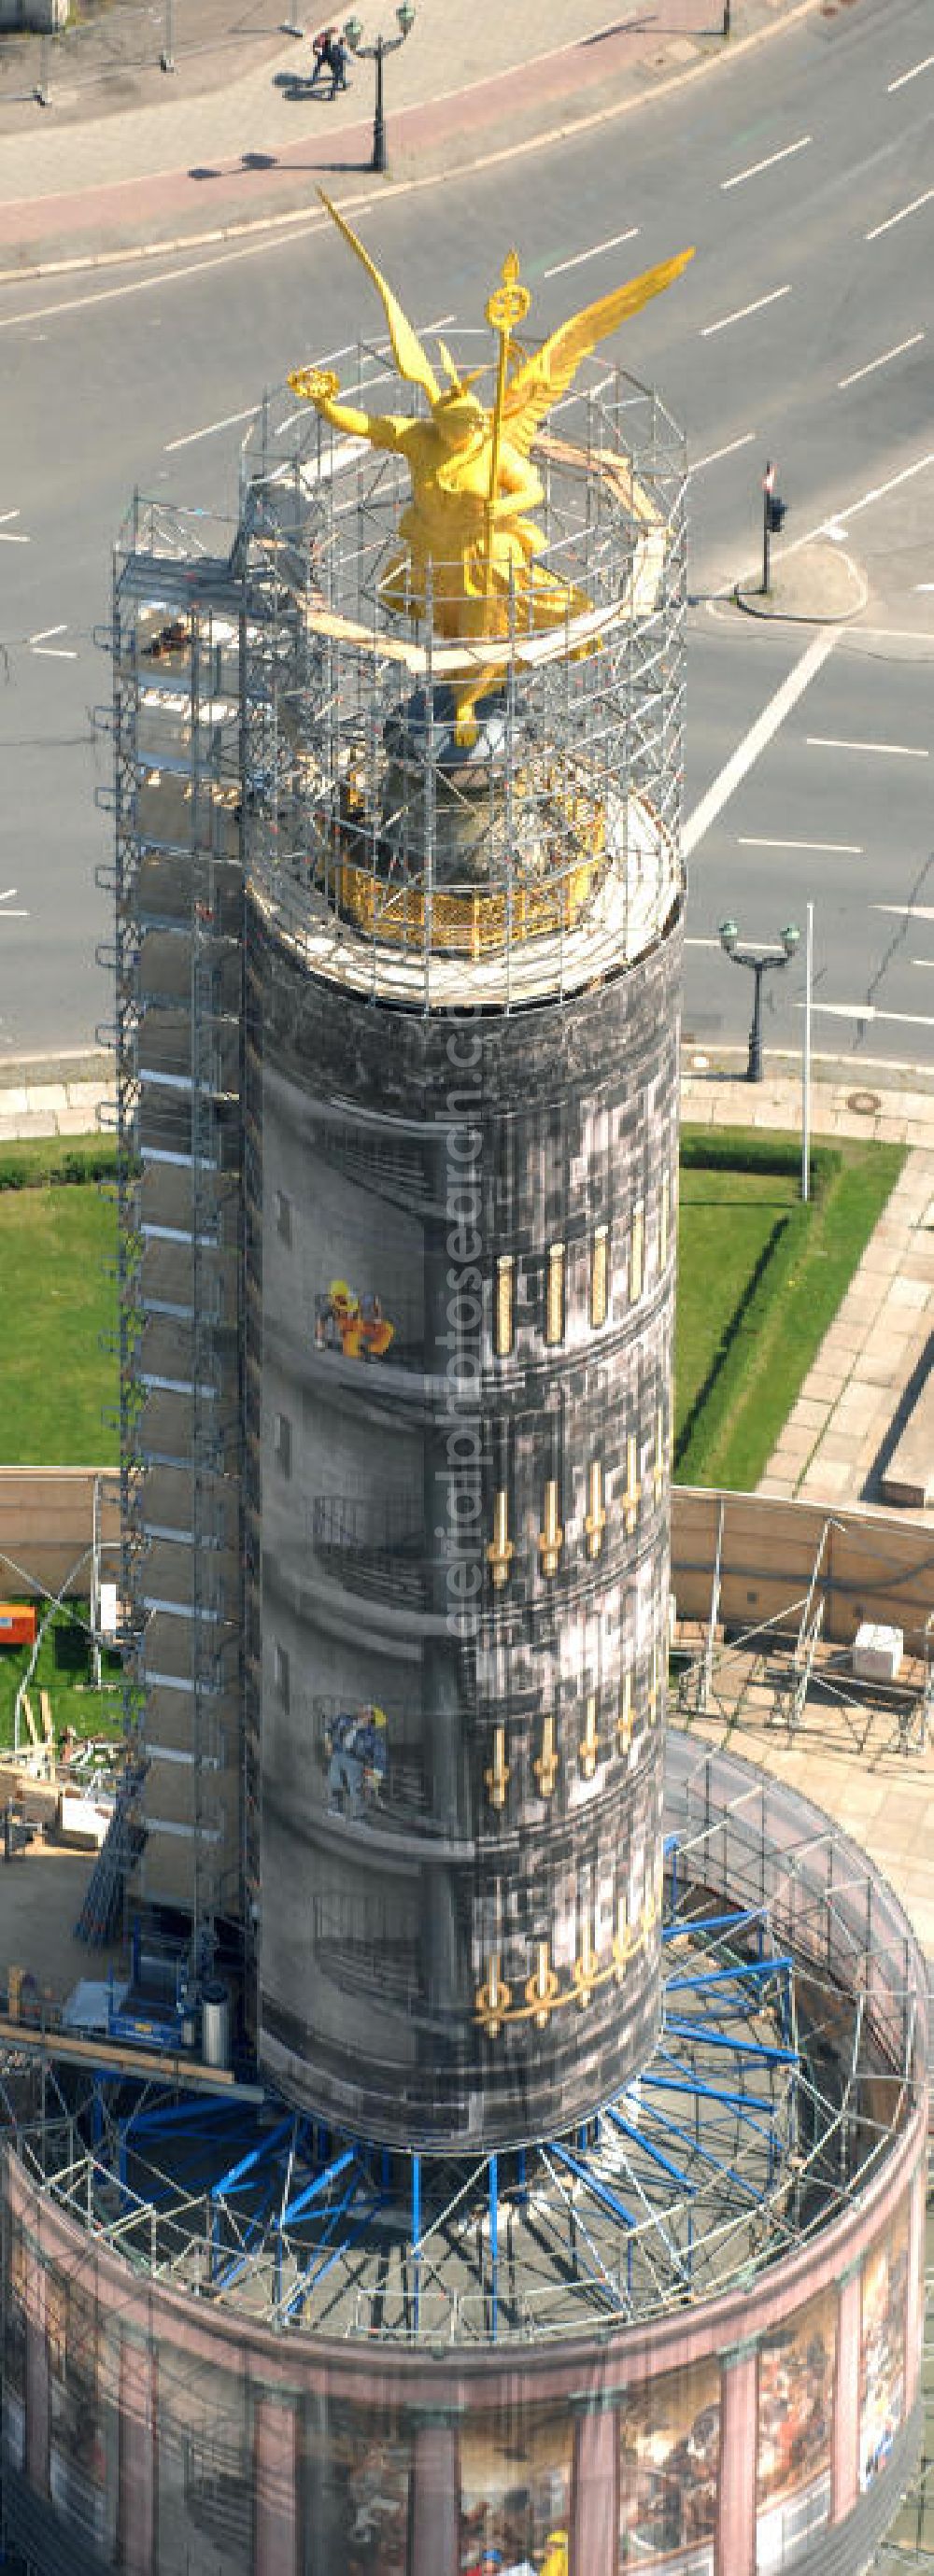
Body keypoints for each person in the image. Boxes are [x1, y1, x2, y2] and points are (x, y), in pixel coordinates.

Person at [327, 1705, 388, 1819]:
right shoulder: (344, 1720)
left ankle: (359, 1817)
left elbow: (380, 1756)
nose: (364, 1713)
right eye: (364, 1710)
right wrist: (328, 1741)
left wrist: (375, 1777)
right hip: (338, 1755)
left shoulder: (372, 1737)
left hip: (355, 1761)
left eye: (368, 1713)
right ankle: (336, 1809)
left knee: (356, 1789)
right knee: (335, 1783)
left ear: (371, 1718)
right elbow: (331, 1727)